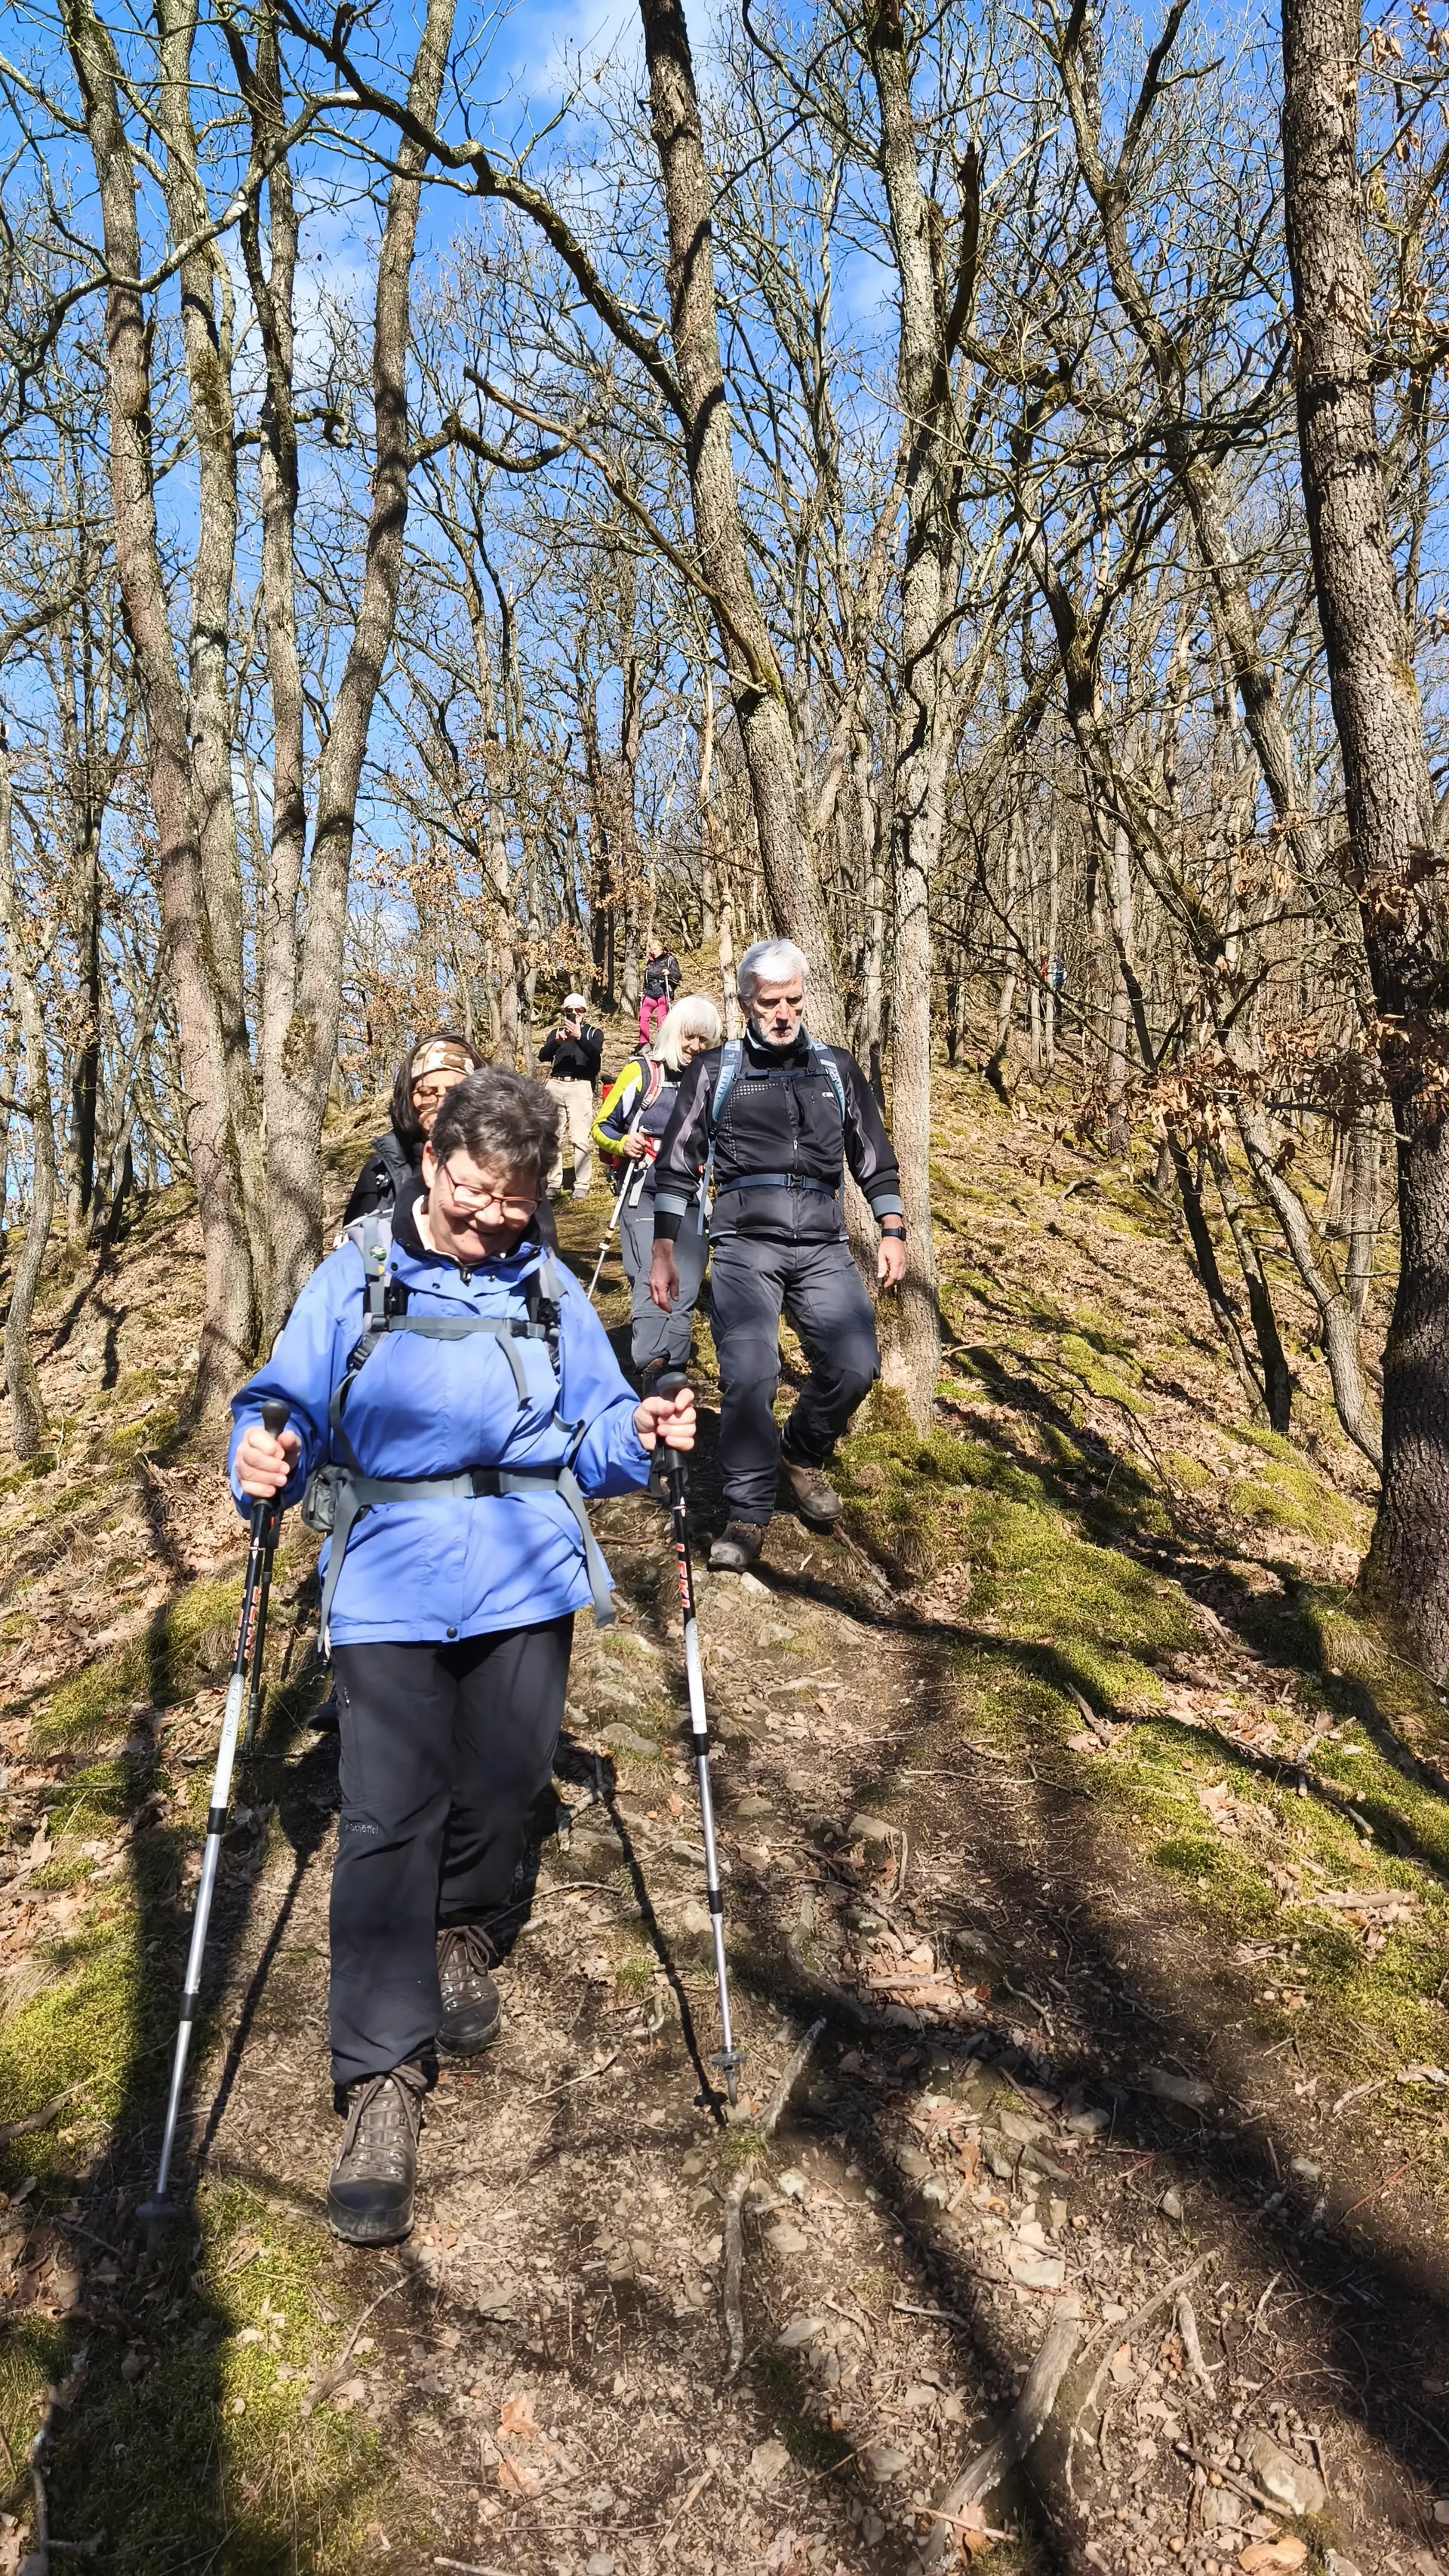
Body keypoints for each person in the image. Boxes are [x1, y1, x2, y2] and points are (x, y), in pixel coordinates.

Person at [229, 1067, 696, 2246]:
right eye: (476, 1191)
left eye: (516, 1201)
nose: (492, 1217)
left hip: (526, 1570)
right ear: (433, 1163)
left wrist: (642, 1434)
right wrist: (261, 1453)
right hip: (389, 1576)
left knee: (504, 1781)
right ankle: (380, 2079)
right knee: (388, 1817)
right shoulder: (356, 1274)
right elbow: (283, 1402)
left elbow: (595, 1425)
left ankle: (464, 1926)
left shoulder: (546, 1285)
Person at [649, 937, 906, 1571]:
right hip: (743, 1243)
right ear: (745, 1003)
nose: (784, 1013)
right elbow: (677, 1164)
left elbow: (872, 1153)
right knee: (750, 1372)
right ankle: (747, 1511)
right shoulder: (716, 1072)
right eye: (770, 1002)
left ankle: (799, 1451)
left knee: (855, 1364)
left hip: (823, 1242)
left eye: (793, 999)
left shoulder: (836, 1070)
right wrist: (663, 1248)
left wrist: (892, 1227)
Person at [592, 994, 723, 1393]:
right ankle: (652, 1366)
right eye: (689, 1037)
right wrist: (623, 1143)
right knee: (651, 1276)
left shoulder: (713, 1081)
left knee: (686, 1282)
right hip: (643, 1192)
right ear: (672, 1032)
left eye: (704, 1040)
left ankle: (674, 1369)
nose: (695, 1046)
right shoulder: (641, 1072)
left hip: (691, 1195)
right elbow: (602, 1126)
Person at [343, 1029, 480, 1223]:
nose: (442, 1105)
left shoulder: (505, 1162)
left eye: (455, 1093)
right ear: (408, 1099)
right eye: (427, 1093)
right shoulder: (380, 1172)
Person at [537, 993, 604, 1199]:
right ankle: (553, 1183)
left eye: (579, 1010)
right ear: (564, 1012)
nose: (575, 1014)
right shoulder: (556, 1033)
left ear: (585, 1012)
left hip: (580, 1086)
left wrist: (579, 1037)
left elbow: (595, 1053)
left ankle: (582, 1184)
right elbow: (543, 1056)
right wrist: (556, 1043)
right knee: (552, 1136)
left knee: (579, 1138)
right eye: (570, 1010)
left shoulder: (593, 1033)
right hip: (555, 1085)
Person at [638, 948, 681, 1048]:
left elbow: (678, 975)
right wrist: (643, 991)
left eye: (655, 949)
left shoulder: (669, 959)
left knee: (661, 1017)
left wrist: (669, 972)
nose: (653, 951)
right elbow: (647, 978)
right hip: (650, 993)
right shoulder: (650, 961)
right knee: (643, 1014)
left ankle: (662, 1042)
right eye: (652, 949)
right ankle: (644, 1043)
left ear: (661, 949)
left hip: (663, 992)